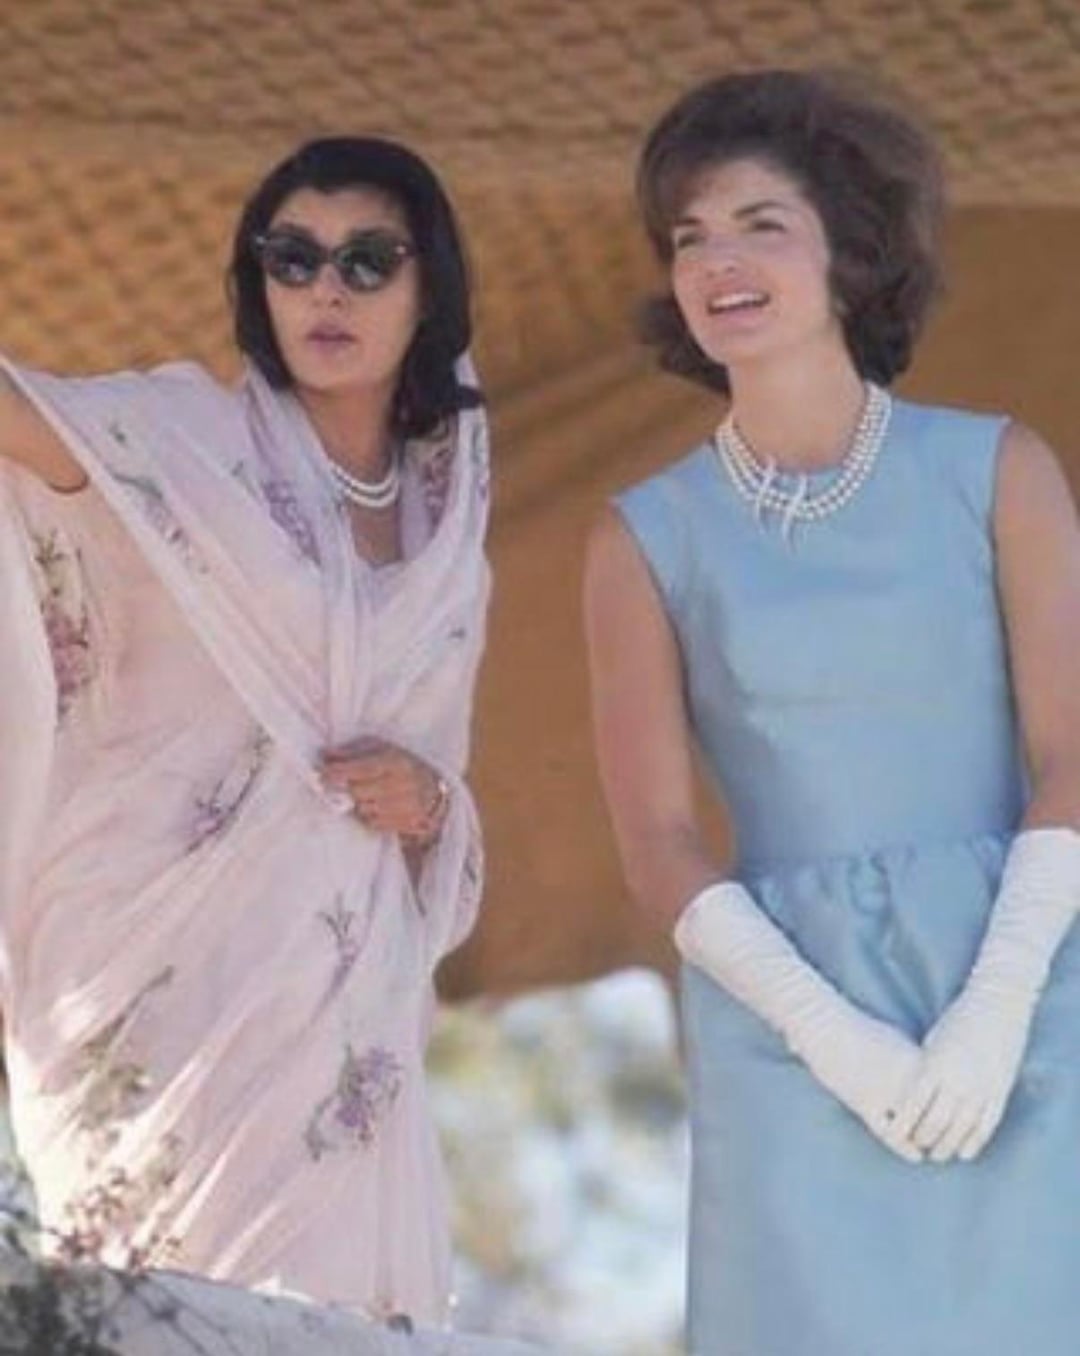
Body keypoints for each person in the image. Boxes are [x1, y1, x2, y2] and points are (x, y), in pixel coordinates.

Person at [584, 68, 1080, 1355]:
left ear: (850, 256)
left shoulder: (997, 469)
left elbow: (1073, 755)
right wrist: (825, 1034)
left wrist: (998, 1007)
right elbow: (657, 841)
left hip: (1026, 987)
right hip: (784, 1029)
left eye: (762, 224)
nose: (719, 261)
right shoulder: (642, 538)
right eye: (690, 236)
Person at [0, 135, 491, 1325]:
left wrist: (430, 803)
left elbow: (437, 772)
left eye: (368, 261)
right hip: (148, 961)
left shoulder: (449, 519)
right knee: (155, 1312)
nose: (327, 288)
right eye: (293, 257)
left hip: (334, 998)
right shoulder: (179, 441)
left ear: (429, 289)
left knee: (329, 1319)